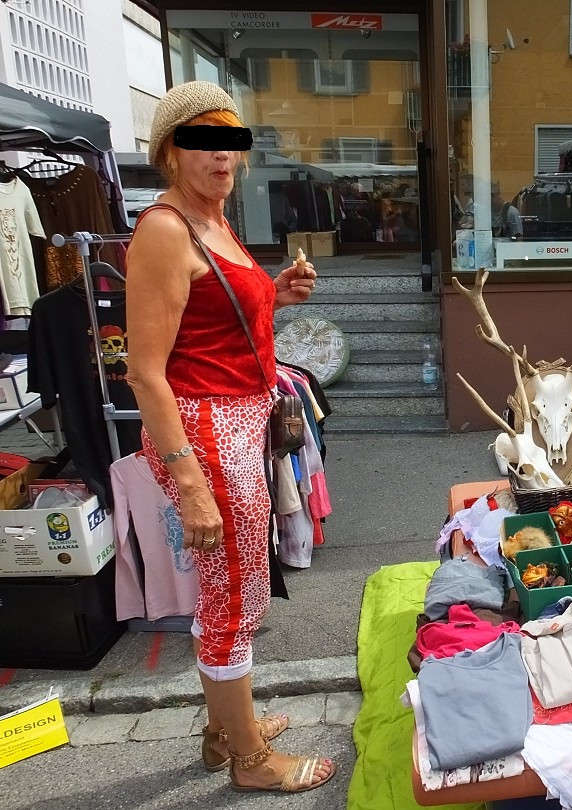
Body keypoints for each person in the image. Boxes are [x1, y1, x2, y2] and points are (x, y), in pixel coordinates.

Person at [125, 81, 335, 794]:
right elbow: (146, 373)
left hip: (237, 420)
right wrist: (189, 484)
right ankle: (250, 761)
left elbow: (212, 322)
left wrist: (276, 291)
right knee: (235, 597)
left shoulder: (212, 220)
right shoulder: (165, 229)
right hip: (204, 430)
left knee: (229, 588)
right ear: (169, 152)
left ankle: (224, 728)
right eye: (202, 141)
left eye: (231, 140)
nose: (221, 155)